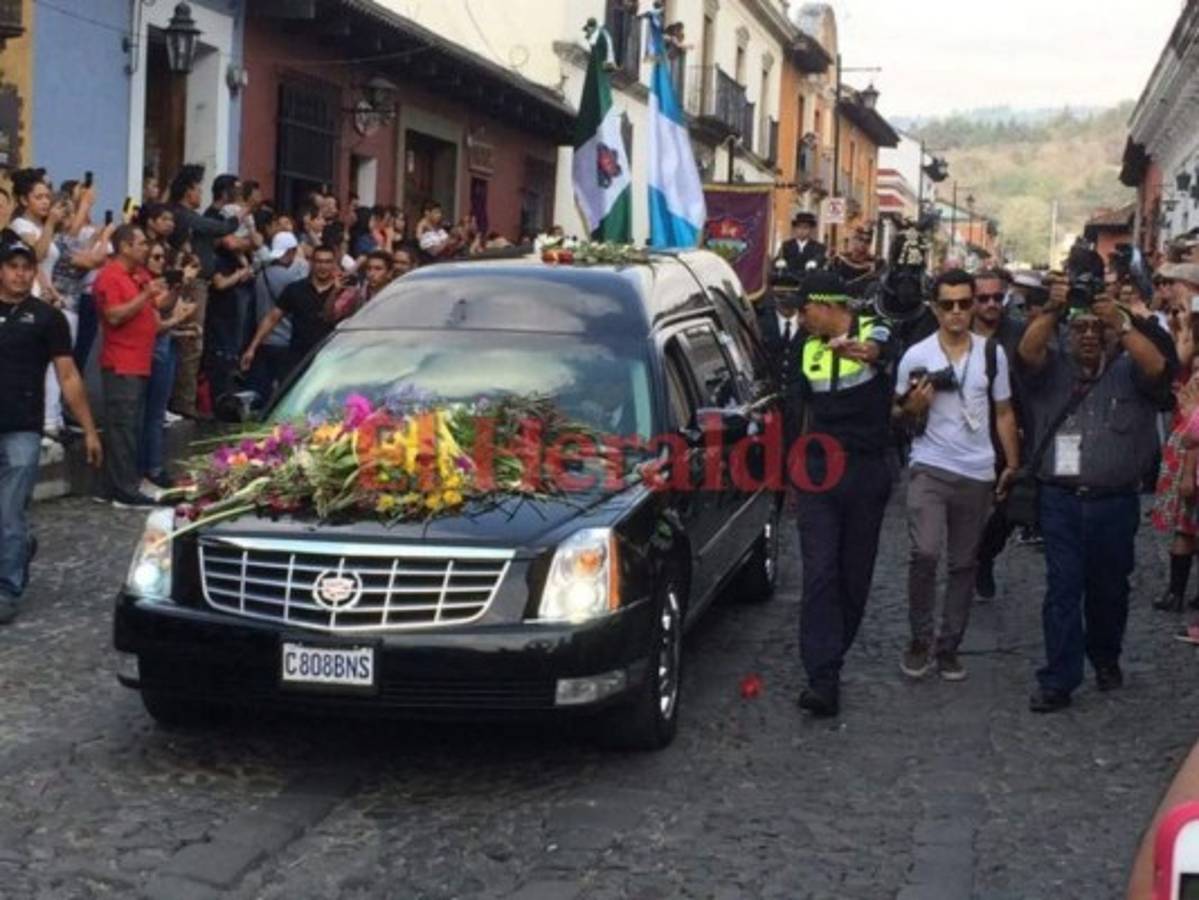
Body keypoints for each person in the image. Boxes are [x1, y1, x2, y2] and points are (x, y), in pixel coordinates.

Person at [1018, 274, 1173, 712]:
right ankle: (1059, 678)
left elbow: (1160, 367)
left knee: (1109, 589)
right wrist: (1052, 309)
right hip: (1061, 500)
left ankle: (1105, 656)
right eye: (1080, 328)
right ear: (1068, 334)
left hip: (1115, 501)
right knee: (1062, 588)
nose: (1089, 335)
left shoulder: (1131, 368)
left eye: (1097, 328)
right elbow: (1027, 351)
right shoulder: (1052, 370)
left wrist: (1122, 323)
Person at [895, 269, 1020, 682]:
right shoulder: (916, 355)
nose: (957, 312)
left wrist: (1012, 465)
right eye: (948, 304)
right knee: (925, 552)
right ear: (934, 307)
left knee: (964, 562)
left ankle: (949, 646)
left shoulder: (991, 354)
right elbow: (896, 413)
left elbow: (1003, 411)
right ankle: (919, 639)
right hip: (930, 464)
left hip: (977, 469)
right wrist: (913, 406)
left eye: (964, 304)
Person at [792, 271, 896, 718]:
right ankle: (823, 675)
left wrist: (869, 352)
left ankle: (835, 649)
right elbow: (795, 409)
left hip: (867, 470)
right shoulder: (803, 347)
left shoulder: (876, 326)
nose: (799, 318)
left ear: (829, 304)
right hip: (818, 472)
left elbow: (886, 347)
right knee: (819, 573)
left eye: (805, 309)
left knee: (854, 575)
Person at [0, 237, 101, 623]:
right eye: (13, 266)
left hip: (22, 428)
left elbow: (68, 374)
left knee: (9, 512)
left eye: (27, 267)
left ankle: (7, 587)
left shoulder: (46, 318)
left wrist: (89, 429)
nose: (21, 274)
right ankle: (21, 547)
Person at [93, 225, 174, 508]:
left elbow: (156, 306)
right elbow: (114, 316)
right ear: (125, 246)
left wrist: (174, 288)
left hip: (140, 361)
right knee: (122, 427)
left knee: (130, 425)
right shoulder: (110, 276)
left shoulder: (138, 275)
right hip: (121, 362)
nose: (145, 249)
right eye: (140, 244)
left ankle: (120, 484)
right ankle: (122, 489)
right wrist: (145, 295)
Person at [972, 268, 1028, 600]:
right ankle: (965, 564)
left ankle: (985, 556)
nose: (992, 304)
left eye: (998, 297)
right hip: (968, 432)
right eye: (984, 298)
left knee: (1011, 508)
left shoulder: (1019, 334)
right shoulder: (956, 332)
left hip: (1011, 432)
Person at [166, 164, 238, 418]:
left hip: (199, 283)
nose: (200, 195)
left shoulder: (185, 216)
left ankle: (183, 399)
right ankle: (183, 402)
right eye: (198, 189)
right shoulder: (185, 216)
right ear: (188, 191)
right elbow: (217, 228)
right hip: (192, 284)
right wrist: (237, 217)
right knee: (191, 342)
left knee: (191, 341)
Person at [1152, 264, 1199, 612]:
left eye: (1175, 284)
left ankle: (1179, 592)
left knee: (1187, 519)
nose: (1169, 290)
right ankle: (1178, 590)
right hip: (1185, 431)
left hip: (1191, 434)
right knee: (1184, 522)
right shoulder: (1180, 324)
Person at [139, 243, 198, 493]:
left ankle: (153, 465)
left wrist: (182, 327)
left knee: (156, 413)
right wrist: (179, 317)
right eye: (155, 256)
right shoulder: (145, 282)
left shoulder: (157, 282)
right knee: (151, 414)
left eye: (163, 257)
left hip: (164, 348)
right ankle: (151, 467)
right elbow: (160, 314)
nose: (160, 261)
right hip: (152, 352)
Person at [240, 243, 342, 378]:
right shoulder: (295, 289)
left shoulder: (343, 292)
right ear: (311, 263)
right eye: (319, 261)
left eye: (328, 262)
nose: (323, 266)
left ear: (334, 264)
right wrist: (252, 348)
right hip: (298, 357)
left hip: (330, 356)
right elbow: (272, 318)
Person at [245, 231, 305, 403]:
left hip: (263, 339)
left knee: (261, 390)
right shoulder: (292, 277)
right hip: (285, 340)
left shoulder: (261, 274)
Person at [756, 260, 806, 450]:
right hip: (769, 399)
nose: (785, 300)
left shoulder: (808, 326)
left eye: (790, 295)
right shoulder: (761, 323)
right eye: (780, 295)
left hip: (798, 400)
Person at [830, 226, 883, 299]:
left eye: (868, 241)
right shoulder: (840, 258)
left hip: (861, 300)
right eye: (860, 239)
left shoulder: (875, 261)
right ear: (854, 240)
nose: (864, 244)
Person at [778, 211, 826, 276]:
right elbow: (780, 258)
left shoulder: (818, 247)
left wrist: (815, 262)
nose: (802, 230)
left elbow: (820, 258)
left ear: (811, 230)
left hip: (809, 280)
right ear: (795, 229)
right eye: (799, 227)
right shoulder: (786, 245)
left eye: (805, 228)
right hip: (789, 280)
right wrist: (780, 262)